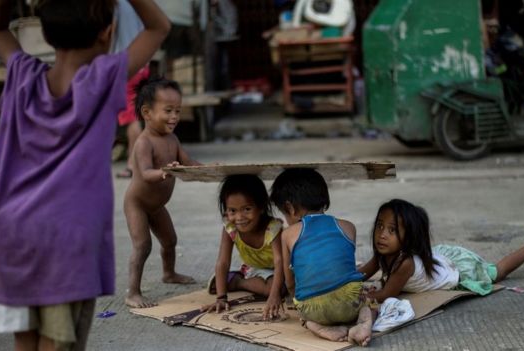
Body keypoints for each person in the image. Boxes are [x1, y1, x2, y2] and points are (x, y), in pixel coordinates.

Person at [0, 0, 170, 350]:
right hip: (64, 242)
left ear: (45, 33)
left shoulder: (22, 75)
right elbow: (158, 27)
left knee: (25, 341)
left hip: (8, 237)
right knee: (57, 342)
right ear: (107, 33)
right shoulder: (104, 77)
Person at [360, 199, 524, 302]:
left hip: (459, 272)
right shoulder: (384, 253)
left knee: (497, 272)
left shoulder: (405, 263)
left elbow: (386, 295)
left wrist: (358, 297)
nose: (382, 234)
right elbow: (361, 273)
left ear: (408, 237)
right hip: (440, 259)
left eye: (392, 230)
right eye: (379, 226)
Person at [270, 168, 372, 346]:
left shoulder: (288, 234)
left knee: (304, 313)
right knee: (365, 303)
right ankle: (363, 324)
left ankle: (316, 326)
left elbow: (290, 282)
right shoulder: (348, 227)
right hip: (349, 305)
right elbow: (343, 267)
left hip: (311, 308)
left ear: (290, 208)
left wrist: (298, 302)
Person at [124, 77, 201, 308]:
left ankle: (169, 273)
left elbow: (188, 163)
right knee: (143, 245)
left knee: (170, 240)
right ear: (147, 113)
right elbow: (146, 173)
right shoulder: (143, 143)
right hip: (137, 203)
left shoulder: (173, 139)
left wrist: (207, 169)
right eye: (168, 111)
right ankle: (133, 293)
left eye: (178, 110)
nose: (174, 117)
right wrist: (165, 172)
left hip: (157, 206)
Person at [201, 174, 285, 320]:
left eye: (246, 209)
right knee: (271, 288)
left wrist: (274, 296)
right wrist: (221, 298)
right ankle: (236, 281)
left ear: (261, 207)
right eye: (232, 211)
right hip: (253, 268)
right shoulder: (230, 228)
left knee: (280, 289)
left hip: (281, 268)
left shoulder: (272, 228)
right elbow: (223, 262)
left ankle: (235, 281)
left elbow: (280, 261)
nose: (239, 217)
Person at [111, 0, 146, 178]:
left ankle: (133, 165)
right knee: (135, 117)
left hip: (125, 64)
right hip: (141, 63)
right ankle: (137, 163)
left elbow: (111, 32)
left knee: (131, 119)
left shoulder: (116, 4)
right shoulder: (140, 4)